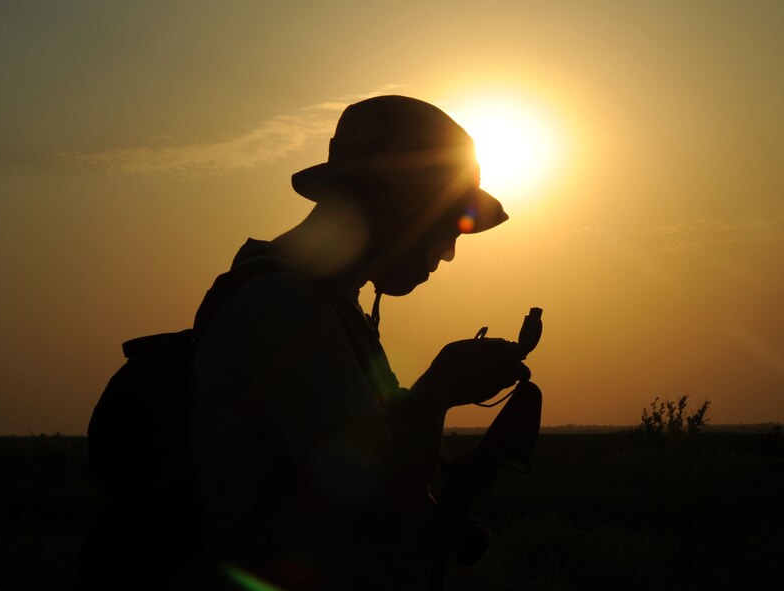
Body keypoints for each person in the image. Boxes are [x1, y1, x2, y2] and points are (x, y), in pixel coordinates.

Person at [188, 95, 531, 590]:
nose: (450, 251)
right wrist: (438, 390)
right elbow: (370, 495)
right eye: (443, 223)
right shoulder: (286, 310)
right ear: (391, 203)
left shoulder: (328, 308)